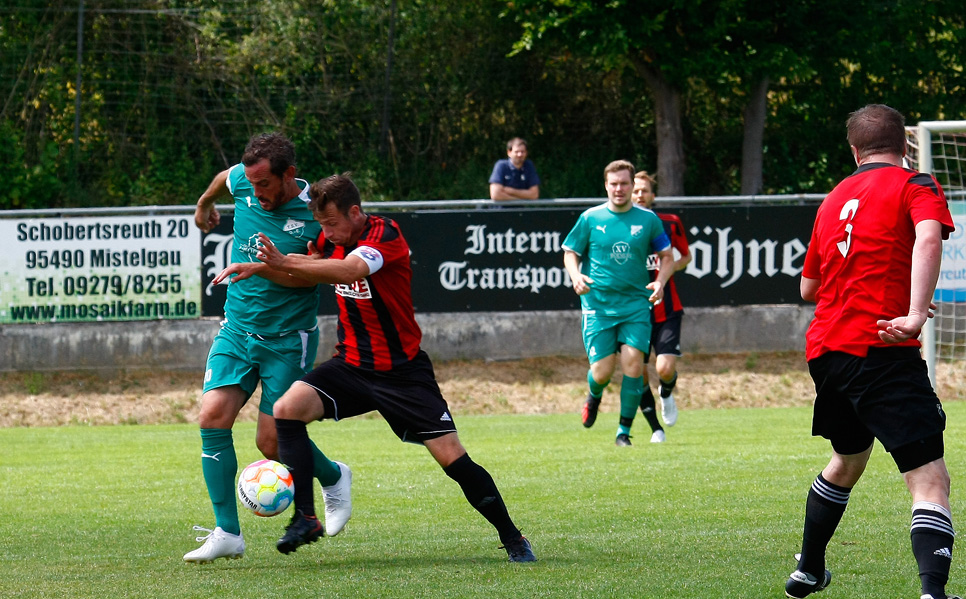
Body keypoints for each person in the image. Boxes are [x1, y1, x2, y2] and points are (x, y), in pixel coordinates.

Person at [214, 172, 537, 562]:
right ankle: (305, 517)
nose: (327, 232)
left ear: (354, 212)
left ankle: (512, 536)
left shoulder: (384, 235)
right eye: (321, 225)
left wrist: (283, 262)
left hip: (402, 374)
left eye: (332, 223)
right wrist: (263, 267)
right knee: (286, 409)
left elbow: (349, 270)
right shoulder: (326, 239)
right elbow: (306, 263)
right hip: (350, 366)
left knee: (454, 459)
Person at [785, 104, 966, 599]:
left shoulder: (832, 200)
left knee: (847, 460)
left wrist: (892, 291)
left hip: (827, 349)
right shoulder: (916, 184)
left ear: (854, 151)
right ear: (905, 145)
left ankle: (809, 564)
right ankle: (934, 594)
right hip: (882, 347)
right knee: (929, 477)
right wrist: (914, 312)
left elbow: (808, 286)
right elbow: (929, 236)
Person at [184, 133, 352, 564]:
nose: (255, 192)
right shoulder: (244, 179)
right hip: (237, 329)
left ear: (289, 175)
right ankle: (227, 532)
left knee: (271, 442)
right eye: (251, 184)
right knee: (211, 416)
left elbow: (314, 276)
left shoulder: (316, 214)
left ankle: (333, 478)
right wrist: (204, 203)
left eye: (264, 185)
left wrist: (263, 267)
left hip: (286, 338)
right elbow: (226, 177)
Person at [562, 160, 675, 447]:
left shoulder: (648, 219)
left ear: (631, 185)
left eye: (625, 183)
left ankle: (623, 432)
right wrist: (576, 276)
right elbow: (570, 252)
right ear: (606, 185)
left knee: (634, 364)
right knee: (601, 372)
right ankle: (594, 395)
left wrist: (660, 282)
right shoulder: (591, 218)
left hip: (636, 304)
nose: (619, 189)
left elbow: (667, 256)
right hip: (597, 306)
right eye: (614, 184)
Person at [631, 171, 692, 442]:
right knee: (638, 372)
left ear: (652, 195)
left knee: (665, 368)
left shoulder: (670, 222)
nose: (639, 195)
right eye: (635, 191)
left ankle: (666, 392)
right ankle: (656, 428)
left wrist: (667, 270)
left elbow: (686, 256)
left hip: (667, 309)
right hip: (634, 312)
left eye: (644, 190)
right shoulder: (620, 227)